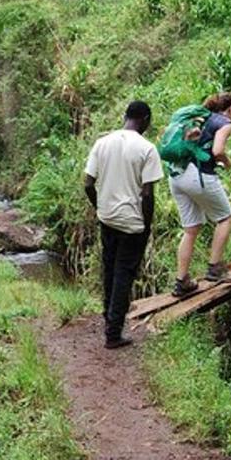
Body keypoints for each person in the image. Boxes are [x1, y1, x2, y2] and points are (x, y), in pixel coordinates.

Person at [84, 101, 162, 349]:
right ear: (146, 119)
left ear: (125, 116)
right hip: (131, 222)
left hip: (106, 218)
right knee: (124, 273)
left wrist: (99, 207)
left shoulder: (102, 143)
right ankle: (113, 332)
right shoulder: (147, 149)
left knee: (109, 267)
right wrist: (147, 226)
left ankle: (109, 316)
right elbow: (147, 194)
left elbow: (87, 183)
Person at [168, 93, 231, 294]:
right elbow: (217, 150)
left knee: (191, 229)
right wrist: (226, 162)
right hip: (197, 175)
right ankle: (215, 268)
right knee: (225, 217)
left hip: (176, 175)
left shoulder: (199, 117)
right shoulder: (224, 122)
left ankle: (181, 281)